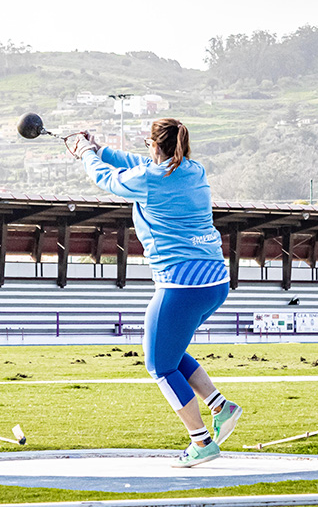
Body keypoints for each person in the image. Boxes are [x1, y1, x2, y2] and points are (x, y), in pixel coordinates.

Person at [72, 118, 241, 468]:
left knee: (158, 364)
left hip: (181, 285)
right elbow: (140, 165)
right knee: (170, 350)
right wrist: (101, 148)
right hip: (215, 282)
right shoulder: (194, 171)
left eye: (148, 144)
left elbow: (108, 180)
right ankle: (221, 407)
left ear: (155, 145)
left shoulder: (150, 180)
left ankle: (201, 442)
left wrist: (88, 154)